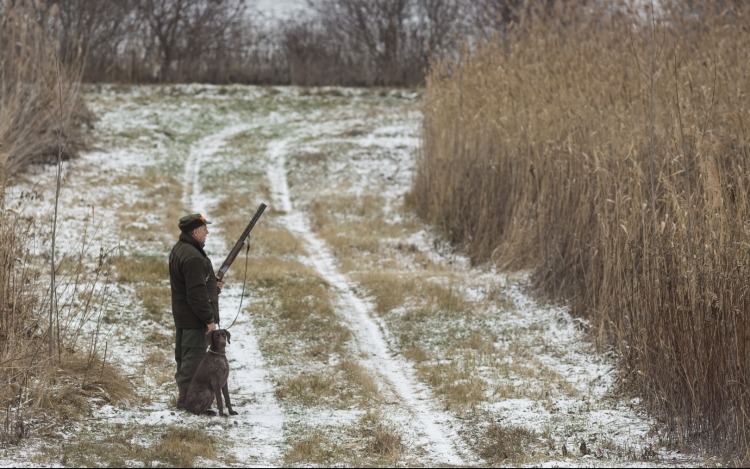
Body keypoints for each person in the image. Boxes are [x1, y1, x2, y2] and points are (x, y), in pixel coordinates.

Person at [168, 213, 225, 410]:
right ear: (195, 232)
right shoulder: (193, 257)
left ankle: (186, 399)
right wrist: (209, 320)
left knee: (185, 357)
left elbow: (192, 286)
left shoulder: (181, 249)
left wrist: (211, 286)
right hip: (194, 318)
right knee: (193, 360)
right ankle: (187, 402)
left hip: (184, 315)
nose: (207, 232)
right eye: (204, 229)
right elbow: (195, 295)